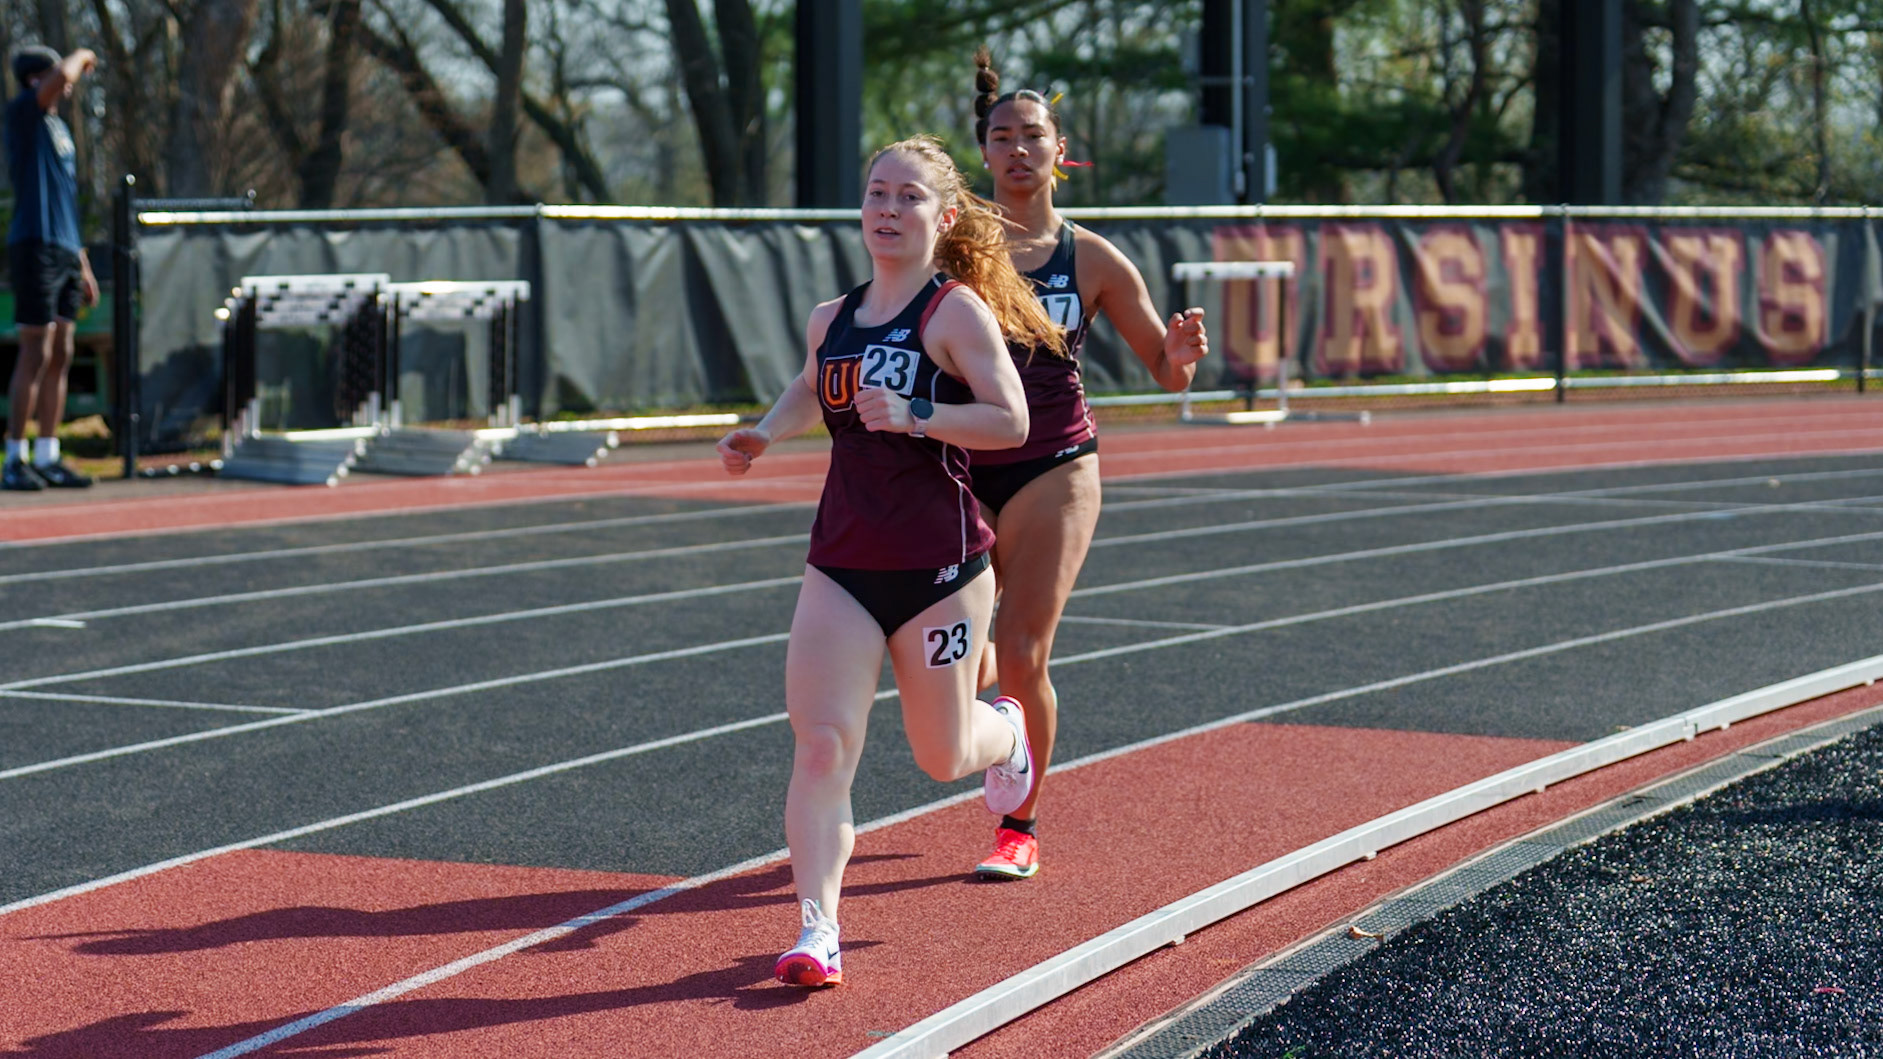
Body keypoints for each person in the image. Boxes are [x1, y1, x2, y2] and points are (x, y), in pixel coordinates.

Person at [717, 134, 1065, 988]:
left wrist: (916, 412)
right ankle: (817, 927)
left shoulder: (954, 313)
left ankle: (1005, 732)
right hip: (841, 562)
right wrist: (764, 432)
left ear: (942, 218)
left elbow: (1011, 420)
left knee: (942, 755)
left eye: (908, 196)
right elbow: (813, 384)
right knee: (820, 747)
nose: (887, 209)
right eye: (877, 192)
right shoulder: (831, 317)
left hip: (940, 568)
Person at [964, 47, 1209, 882]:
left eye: (1032, 135)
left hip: (1055, 465)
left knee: (1022, 650)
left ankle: (1018, 825)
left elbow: (1164, 371)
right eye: (1002, 136)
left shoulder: (1094, 259)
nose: (1017, 149)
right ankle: (1003, 730)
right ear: (984, 152)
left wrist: (1180, 356)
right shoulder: (952, 250)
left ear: (1059, 151)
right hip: (962, 464)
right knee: (949, 655)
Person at [4, 44, 98, 491]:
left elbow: (65, 199)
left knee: (62, 351)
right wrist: (83, 54)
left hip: (64, 247)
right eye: (53, 74)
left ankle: (48, 455)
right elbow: (63, 75)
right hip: (34, 244)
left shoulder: (60, 128)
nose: (67, 83)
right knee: (36, 351)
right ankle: (14, 458)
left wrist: (83, 264)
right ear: (34, 79)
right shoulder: (25, 112)